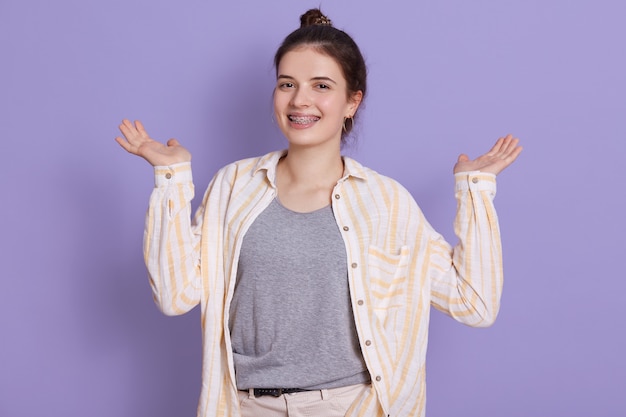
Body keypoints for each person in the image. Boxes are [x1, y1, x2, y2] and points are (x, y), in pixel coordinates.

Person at [115, 8, 522, 417]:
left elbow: (475, 303)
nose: (299, 100)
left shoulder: (386, 202)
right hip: (245, 406)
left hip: (349, 407)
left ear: (352, 101)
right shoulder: (233, 187)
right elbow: (174, 296)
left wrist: (475, 191)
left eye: (321, 85)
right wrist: (171, 177)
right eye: (286, 84)